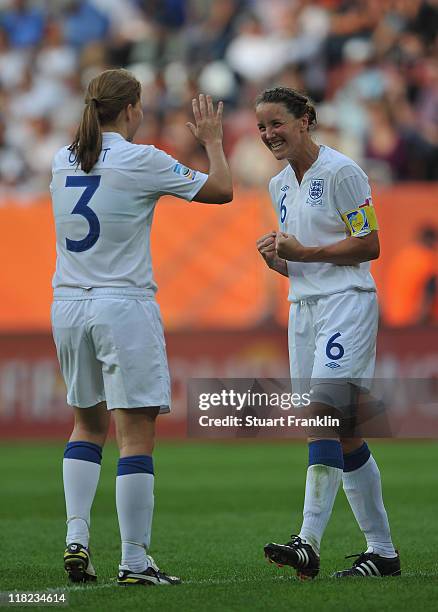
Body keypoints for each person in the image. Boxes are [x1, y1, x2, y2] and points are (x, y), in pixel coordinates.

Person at [50, 68, 232, 587]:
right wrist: (213, 142)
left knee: (87, 425)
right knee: (136, 436)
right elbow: (221, 190)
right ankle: (134, 561)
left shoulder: (61, 158)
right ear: (130, 110)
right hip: (121, 303)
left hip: (67, 303)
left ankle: (77, 538)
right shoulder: (141, 158)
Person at [255, 87, 400, 579]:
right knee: (346, 434)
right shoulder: (277, 186)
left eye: (277, 123)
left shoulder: (342, 171)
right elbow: (302, 263)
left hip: (347, 304)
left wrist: (304, 254)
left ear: (305, 120)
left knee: (323, 416)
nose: (269, 134)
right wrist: (281, 262)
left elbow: (370, 244)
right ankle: (382, 553)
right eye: (261, 127)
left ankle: (307, 542)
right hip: (305, 310)